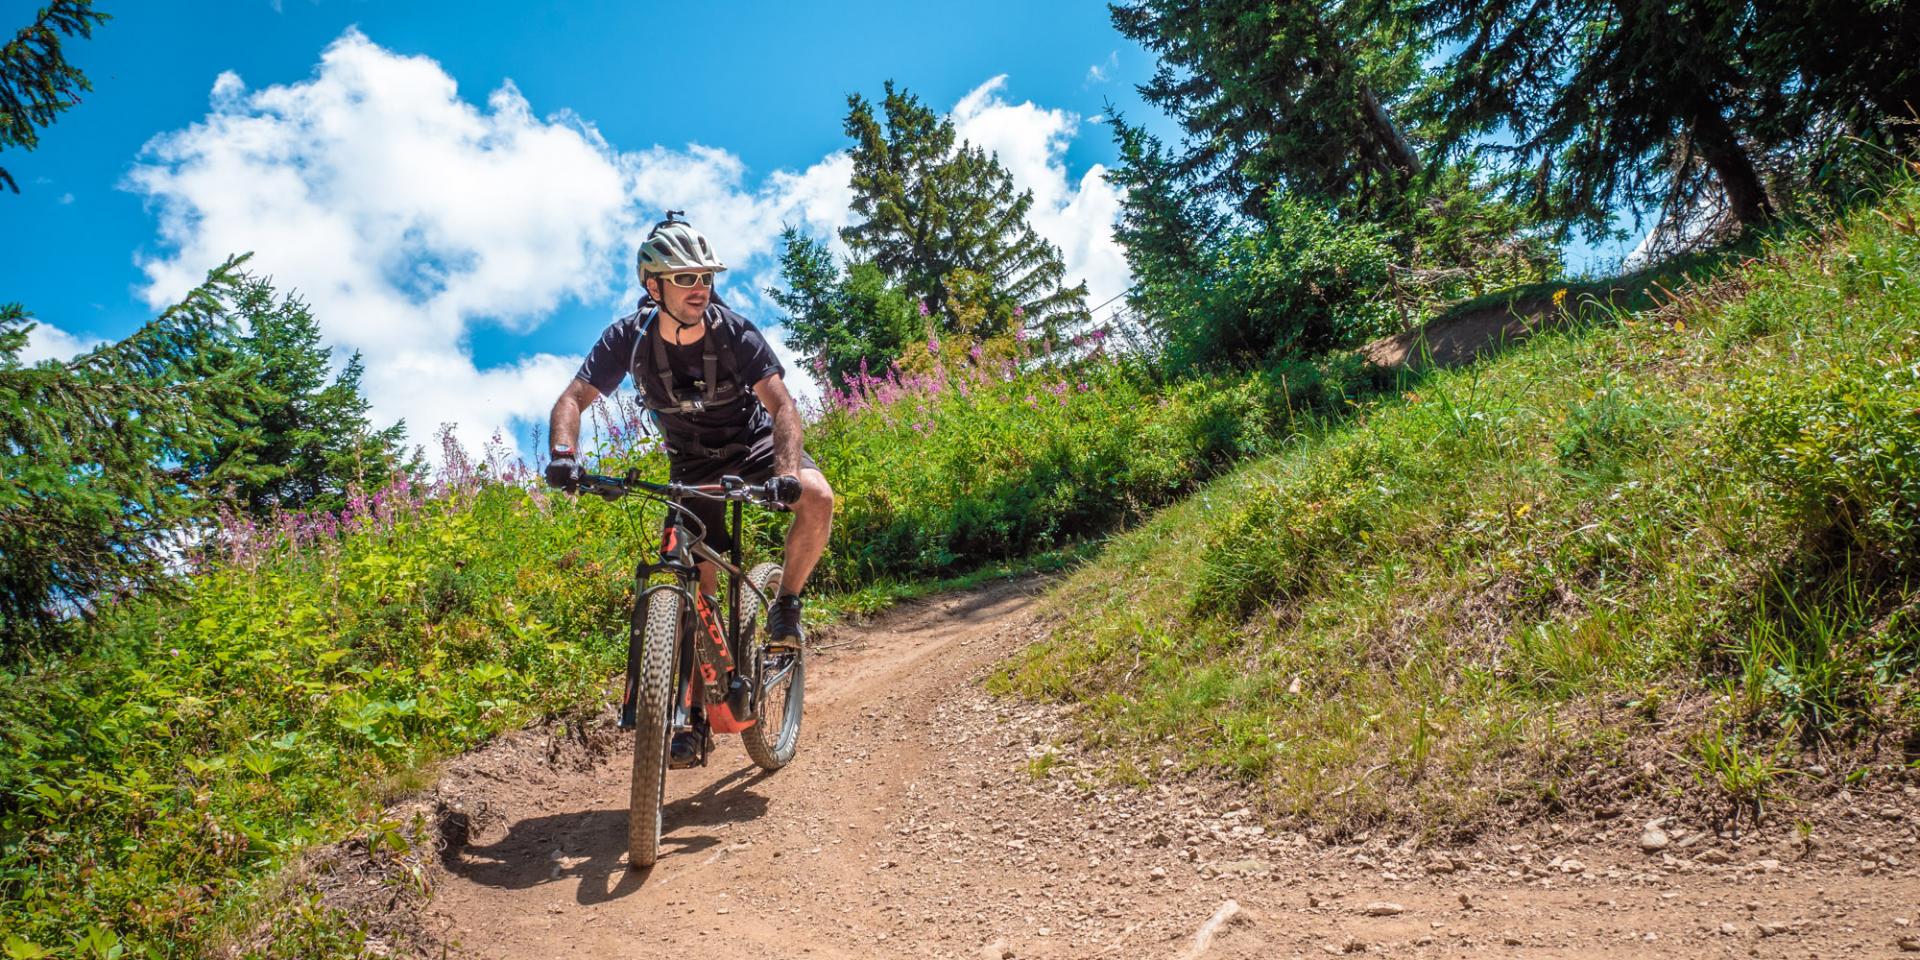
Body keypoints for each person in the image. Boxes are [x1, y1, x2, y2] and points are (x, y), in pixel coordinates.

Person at [544, 212, 833, 762]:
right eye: (685, 278)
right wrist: (563, 456)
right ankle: (692, 715)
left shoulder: (735, 333)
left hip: (753, 446)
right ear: (654, 287)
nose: (699, 288)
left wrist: (785, 473)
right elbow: (573, 399)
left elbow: (782, 407)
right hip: (691, 465)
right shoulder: (628, 339)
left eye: (705, 277)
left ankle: (787, 605)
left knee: (817, 497)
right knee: (694, 588)